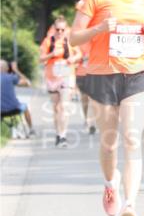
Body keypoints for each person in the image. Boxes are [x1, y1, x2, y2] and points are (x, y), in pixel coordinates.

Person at [70, 0, 144, 216]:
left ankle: (130, 205)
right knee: (110, 141)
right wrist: (99, 29)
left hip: (137, 71)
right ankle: (111, 185)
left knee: (132, 138)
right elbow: (74, 38)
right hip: (101, 74)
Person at [39, 16, 81, 147]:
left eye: (63, 30)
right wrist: (52, 54)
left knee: (64, 107)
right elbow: (40, 59)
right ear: (54, 29)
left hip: (66, 76)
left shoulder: (70, 41)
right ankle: (58, 134)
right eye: (58, 29)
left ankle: (63, 135)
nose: (60, 32)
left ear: (66, 29)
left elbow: (79, 54)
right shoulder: (48, 41)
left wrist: (72, 59)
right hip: (52, 77)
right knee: (56, 108)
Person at [1, 59, 36, 135]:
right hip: (14, 109)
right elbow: (28, 83)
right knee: (25, 107)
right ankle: (31, 129)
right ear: (7, 69)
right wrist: (16, 70)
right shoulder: (11, 77)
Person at [75, 40, 96, 134]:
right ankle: (86, 119)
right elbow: (72, 56)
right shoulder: (80, 41)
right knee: (85, 98)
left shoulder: (97, 40)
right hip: (82, 74)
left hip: (96, 73)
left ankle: (91, 123)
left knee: (93, 99)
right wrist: (83, 58)